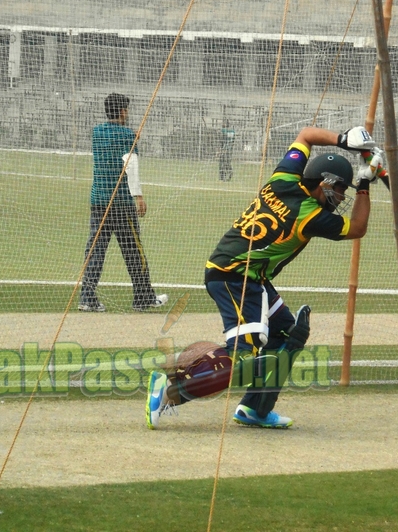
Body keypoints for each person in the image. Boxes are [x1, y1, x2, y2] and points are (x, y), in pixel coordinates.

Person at [145, 125, 383, 429]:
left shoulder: (282, 179)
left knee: (287, 335)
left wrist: (342, 138)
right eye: (340, 190)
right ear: (325, 183)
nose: (341, 197)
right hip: (235, 274)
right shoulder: (311, 216)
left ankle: (254, 409)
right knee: (242, 358)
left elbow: (307, 135)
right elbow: (358, 228)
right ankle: (169, 391)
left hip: (247, 275)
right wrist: (364, 182)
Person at [79, 93, 168, 313]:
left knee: (95, 250)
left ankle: (87, 298)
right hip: (120, 203)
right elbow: (132, 167)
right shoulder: (127, 136)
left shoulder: (97, 132)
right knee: (133, 251)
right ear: (122, 112)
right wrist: (139, 196)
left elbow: (115, 143)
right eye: (126, 110)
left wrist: (131, 138)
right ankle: (143, 297)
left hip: (98, 201)